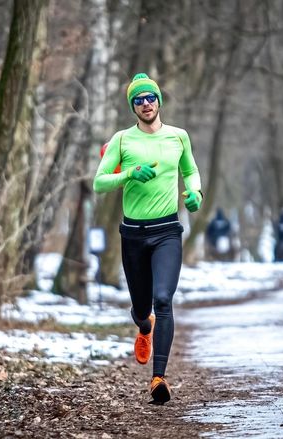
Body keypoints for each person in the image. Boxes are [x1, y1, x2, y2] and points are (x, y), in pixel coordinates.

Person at [92, 73, 202, 404]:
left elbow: (190, 171)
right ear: (132, 107)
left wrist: (194, 192)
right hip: (133, 235)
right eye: (138, 100)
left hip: (167, 230)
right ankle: (143, 327)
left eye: (150, 97)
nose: (145, 104)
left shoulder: (178, 137)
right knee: (142, 308)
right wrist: (129, 174)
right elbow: (99, 182)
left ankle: (158, 378)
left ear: (159, 100)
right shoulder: (122, 141)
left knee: (164, 299)